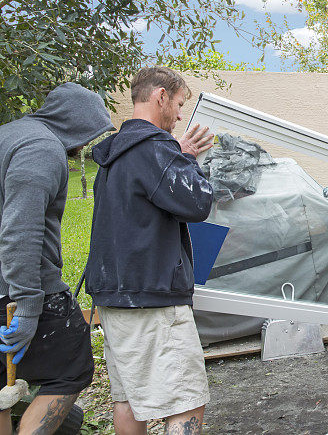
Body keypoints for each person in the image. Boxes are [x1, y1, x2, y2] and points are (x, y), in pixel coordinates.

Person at [85, 66, 215, 435]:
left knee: (129, 400)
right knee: (186, 399)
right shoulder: (155, 149)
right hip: (151, 298)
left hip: (115, 296)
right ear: (160, 96)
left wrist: (177, 154)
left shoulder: (116, 153)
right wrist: (184, 160)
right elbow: (198, 203)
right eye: (177, 104)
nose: (178, 116)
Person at [0, 83, 115, 434]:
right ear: (76, 123)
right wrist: (29, 306)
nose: (84, 146)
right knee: (72, 367)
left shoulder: (9, 135)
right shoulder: (42, 148)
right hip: (20, 289)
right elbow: (21, 231)